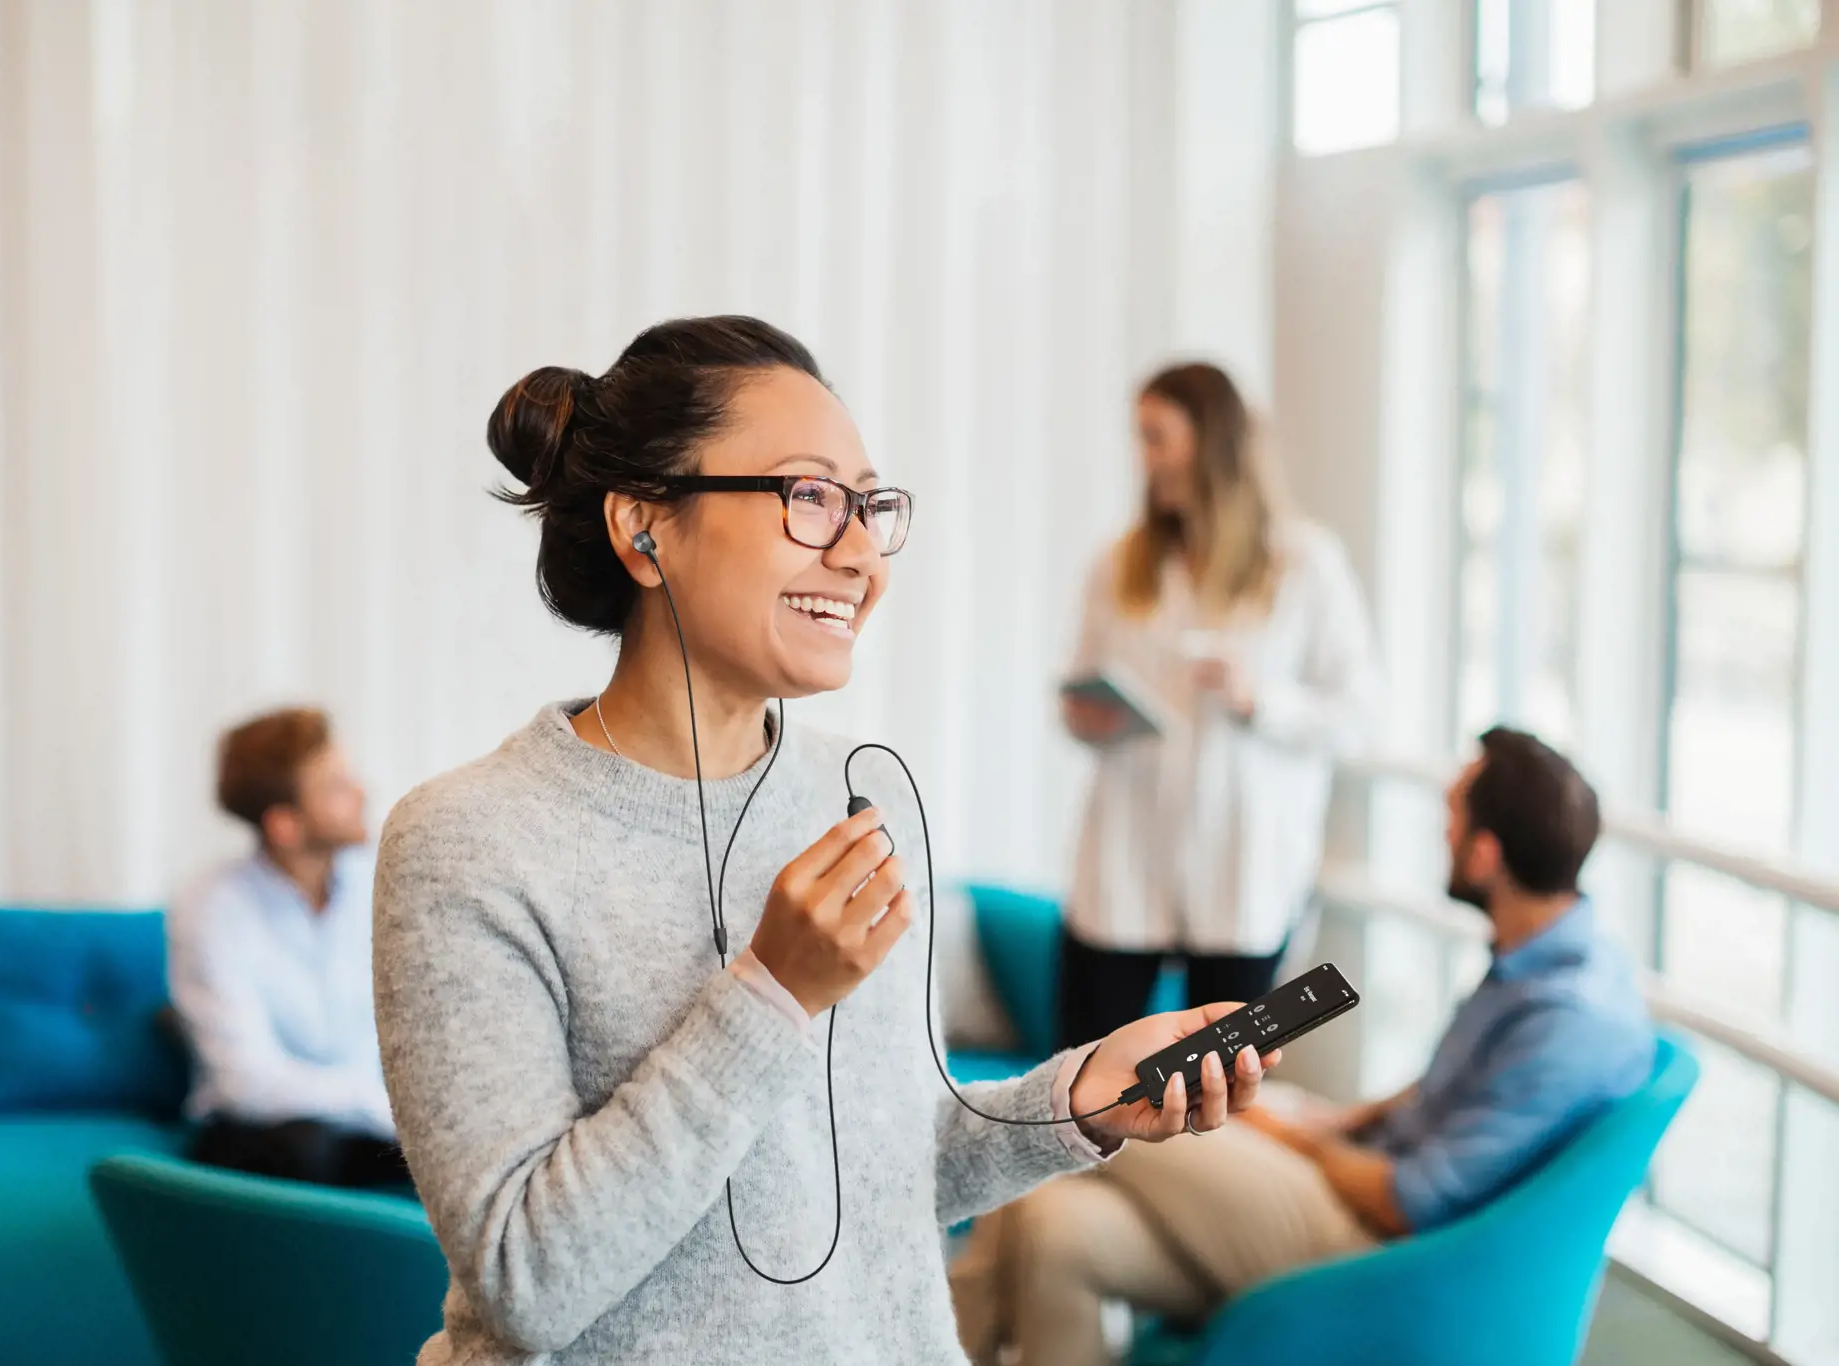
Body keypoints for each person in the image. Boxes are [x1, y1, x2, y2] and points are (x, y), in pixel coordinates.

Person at [370, 317, 1280, 1365]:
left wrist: (1077, 1098)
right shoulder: (468, 845)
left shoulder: (861, 796)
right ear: (643, 528)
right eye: (808, 498)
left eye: (869, 506)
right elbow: (528, 1279)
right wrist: (771, 992)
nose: (859, 557)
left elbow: (894, 1170)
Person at [949, 727, 1656, 1366]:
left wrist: (1289, 1136)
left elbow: (1406, 1201)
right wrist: (1335, 1121)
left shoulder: (1564, 1020)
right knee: (1052, 1228)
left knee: (1082, 1114)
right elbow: (1455, 1093)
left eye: (1452, 816)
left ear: (1486, 853)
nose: (1441, 832)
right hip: (1368, 1193)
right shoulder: (1558, 959)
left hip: (1384, 1256)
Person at [1058, 361, 1380, 1047]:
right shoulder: (1120, 564)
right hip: (1125, 862)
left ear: (1211, 441)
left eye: (1157, 437)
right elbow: (1079, 685)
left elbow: (1356, 718)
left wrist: (1257, 700)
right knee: (1084, 1073)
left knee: (1224, 1086)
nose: (1143, 458)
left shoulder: (1305, 565)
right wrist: (1087, 717)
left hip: (1246, 877)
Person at [167, 706, 405, 1188]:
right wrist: (378, 1107)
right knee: (308, 1151)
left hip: (371, 1120)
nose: (361, 793)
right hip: (257, 1125)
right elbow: (248, 1081)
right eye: (337, 787)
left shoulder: (381, 880)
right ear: (285, 825)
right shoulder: (211, 907)